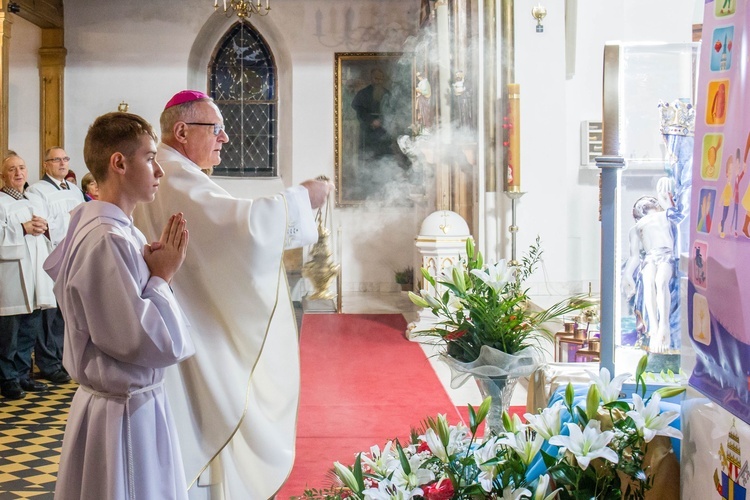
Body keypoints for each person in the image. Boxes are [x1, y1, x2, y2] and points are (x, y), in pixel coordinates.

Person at [133, 89, 332, 499]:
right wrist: (301, 200)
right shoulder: (173, 174)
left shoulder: (172, 172)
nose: (225, 138)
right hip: (183, 330)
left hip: (177, 322)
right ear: (182, 131)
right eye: (217, 129)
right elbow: (239, 229)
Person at [44, 112, 194, 499]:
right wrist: (162, 277)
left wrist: (152, 271)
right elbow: (147, 341)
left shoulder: (112, 229)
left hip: (123, 407)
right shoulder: (107, 239)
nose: (159, 170)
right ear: (119, 163)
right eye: (149, 157)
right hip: (124, 418)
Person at [26, 147, 86, 385]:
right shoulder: (37, 191)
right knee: (49, 314)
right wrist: (70, 219)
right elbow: (44, 225)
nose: (62, 163)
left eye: (65, 159)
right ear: (46, 165)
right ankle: (48, 362)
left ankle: (64, 358)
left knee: (68, 312)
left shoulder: (74, 189)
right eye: (56, 160)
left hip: (75, 254)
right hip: (52, 254)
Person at [0, 153, 55, 399]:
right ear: (3, 176)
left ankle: (23, 375)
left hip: (34, 276)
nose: (18, 172)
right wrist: (22, 228)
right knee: (8, 334)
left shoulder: (33, 200)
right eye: (12, 169)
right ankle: (7, 378)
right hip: (10, 276)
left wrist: (45, 228)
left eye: (21, 167)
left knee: (29, 330)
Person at [622, 194, 675, 353]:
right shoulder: (637, 227)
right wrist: (627, 275)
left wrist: (666, 201)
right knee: (647, 280)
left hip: (666, 254)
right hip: (650, 257)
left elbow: (679, 218)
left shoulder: (665, 216)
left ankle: (664, 326)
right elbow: (634, 257)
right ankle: (654, 327)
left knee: (660, 281)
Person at [351, 67, 394, 160]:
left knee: (385, 157)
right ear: (371, 78)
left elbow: (392, 111)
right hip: (368, 131)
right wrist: (371, 121)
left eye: (380, 79)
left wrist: (383, 121)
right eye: (376, 78)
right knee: (369, 157)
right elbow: (359, 109)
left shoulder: (387, 93)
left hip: (384, 130)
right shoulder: (363, 93)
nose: (378, 81)